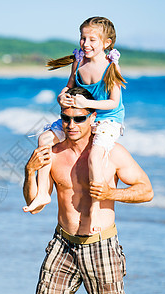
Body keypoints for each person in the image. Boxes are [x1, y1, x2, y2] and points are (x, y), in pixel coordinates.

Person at [22, 89, 153, 294]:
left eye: (79, 119)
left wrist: (110, 193)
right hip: (63, 243)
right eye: (66, 118)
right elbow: (34, 204)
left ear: (93, 117)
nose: (71, 125)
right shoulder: (53, 154)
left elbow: (146, 191)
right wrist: (30, 171)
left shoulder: (112, 153)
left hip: (100, 245)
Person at [29, 17, 127, 230]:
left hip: (107, 118)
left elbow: (114, 102)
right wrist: (62, 97)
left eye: (93, 39)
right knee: (44, 138)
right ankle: (42, 193)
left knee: (94, 156)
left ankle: (94, 208)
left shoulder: (111, 66)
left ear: (106, 43)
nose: (86, 44)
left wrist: (87, 102)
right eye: (83, 38)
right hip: (81, 114)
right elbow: (69, 85)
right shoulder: (79, 60)